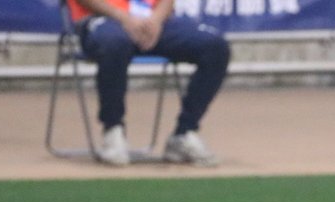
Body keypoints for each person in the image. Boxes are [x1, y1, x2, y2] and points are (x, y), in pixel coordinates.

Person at [66, 0, 230, 167]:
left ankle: (184, 133)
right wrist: (125, 18)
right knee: (115, 43)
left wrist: (155, 21)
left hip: (151, 21)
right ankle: (113, 131)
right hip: (102, 20)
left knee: (215, 47)